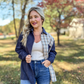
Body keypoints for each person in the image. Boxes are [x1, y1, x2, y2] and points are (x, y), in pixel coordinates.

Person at [15, 6, 57, 84]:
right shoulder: (24, 34)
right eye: (31, 17)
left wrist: (49, 61)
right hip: (27, 68)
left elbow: (53, 52)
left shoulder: (49, 37)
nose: (33, 19)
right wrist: (25, 56)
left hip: (43, 68)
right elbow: (18, 48)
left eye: (36, 17)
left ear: (42, 19)